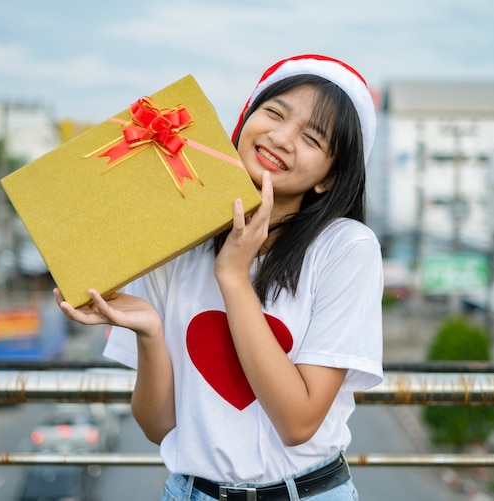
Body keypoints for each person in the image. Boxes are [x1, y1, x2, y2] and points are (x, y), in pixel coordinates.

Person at [54, 53, 383, 501]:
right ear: (245, 119)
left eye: (312, 136)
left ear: (329, 177)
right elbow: (157, 426)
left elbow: (298, 423)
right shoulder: (173, 243)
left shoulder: (346, 248)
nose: (282, 138)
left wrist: (232, 276)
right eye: (274, 113)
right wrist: (151, 332)